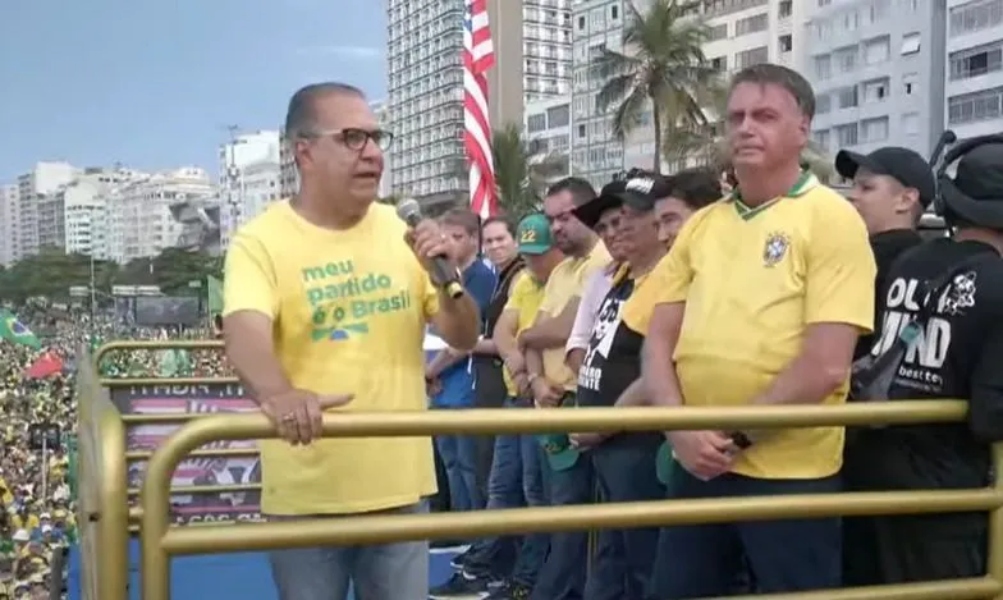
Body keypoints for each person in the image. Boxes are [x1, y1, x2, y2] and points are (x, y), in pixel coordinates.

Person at [221, 81, 480, 600]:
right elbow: (244, 331)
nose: (373, 153)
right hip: (308, 495)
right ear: (304, 152)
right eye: (353, 138)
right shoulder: (260, 241)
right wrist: (279, 393)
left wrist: (445, 280)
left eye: (377, 138)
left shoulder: (403, 230)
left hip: (400, 489)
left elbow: (464, 334)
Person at [641, 63, 876, 598]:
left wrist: (731, 437)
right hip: (698, 465)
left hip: (791, 473)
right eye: (737, 117)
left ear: (802, 128)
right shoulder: (702, 225)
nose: (746, 128)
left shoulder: (832, 219)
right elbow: (658, 341)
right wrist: (679, 432)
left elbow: (826, 364)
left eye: (765, 116)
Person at [845, 140, 1003, 584]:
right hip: (944, 494)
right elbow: (991, 415)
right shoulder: (997, 282)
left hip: (870, 471)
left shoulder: (909, 263)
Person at [431, 214, 563, 600]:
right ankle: (488, 565)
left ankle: (520, 577)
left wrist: (524, 363)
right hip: (513, 395)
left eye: (500, 239)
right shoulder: (521, 281)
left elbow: (534, 334)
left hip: (540, 398)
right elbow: (509, 333)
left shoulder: (546, 279)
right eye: (490, 241)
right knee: (500, 487)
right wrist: (521, 361)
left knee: (530, 492)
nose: (495, 247)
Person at [564, 171, 670, 599]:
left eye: (627, 217)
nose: (615, 230)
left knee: (644, 562)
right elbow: (586, 346)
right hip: (606, 444)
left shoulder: (669, 281)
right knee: (611, 557)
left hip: (638, 442)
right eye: (607, 223)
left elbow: (661, 369)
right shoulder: (616, 277)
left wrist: (603, 425)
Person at [523, 178, 612, 600]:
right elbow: (533, 336)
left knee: (576, 516)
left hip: (584, 403)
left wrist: (530, 337)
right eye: (551, 219)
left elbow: (565, 330)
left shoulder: (604, 261)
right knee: (554, 508)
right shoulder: (560, 271)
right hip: (551, 403)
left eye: (564, 217)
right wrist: (536, 379)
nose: (556, 227)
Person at [426, 208, 498, 515]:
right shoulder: (443, 275)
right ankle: (457, 523)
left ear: (473, 240)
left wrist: (430, 371)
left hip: (465, 386)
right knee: (451, 464)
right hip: (442, 389)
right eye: (444, 237)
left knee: (470, 466)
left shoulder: (480, 278)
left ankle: (473, 526)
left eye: (456, 237)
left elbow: (465, 339)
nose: (449, 243)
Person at [835, 147, 933, 360]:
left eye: (866, 187)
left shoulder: (859, 258)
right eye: (853, 186)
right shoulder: (935, 263)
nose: (852, 196)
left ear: (905, 200)